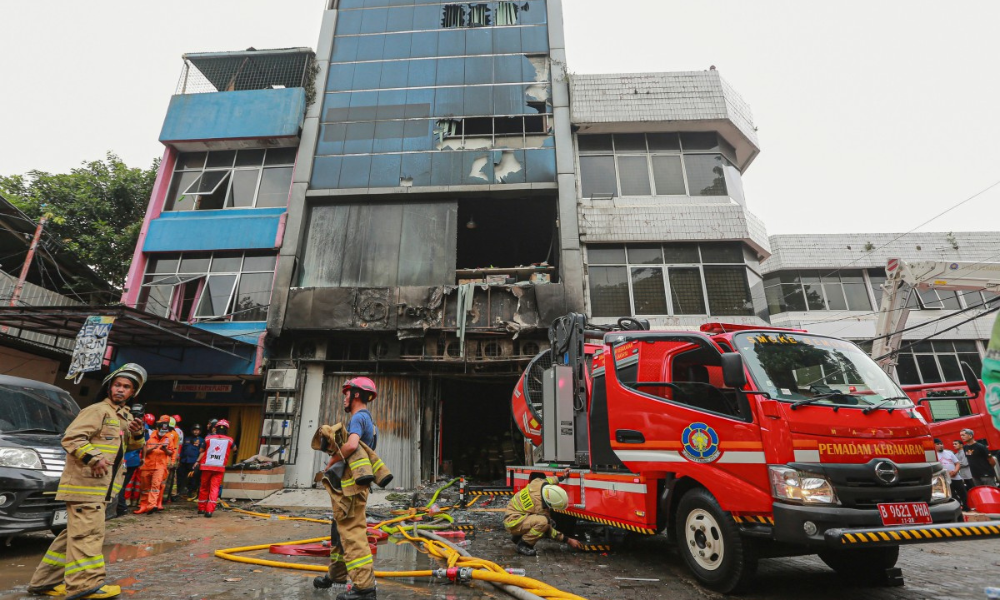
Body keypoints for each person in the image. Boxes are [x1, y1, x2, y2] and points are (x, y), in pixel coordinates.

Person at [27, 363, 147, 600]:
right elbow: (71, 438)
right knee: (88, 535)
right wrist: (94, 458)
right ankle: (85, 586)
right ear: (109, 387)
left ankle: (44, 583)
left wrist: (137, 432)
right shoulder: (97, 410)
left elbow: (131, 447)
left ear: (133, 393)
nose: (121, 390)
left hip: (100, 489)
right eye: (117, 385)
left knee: (72, 536)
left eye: (126, 387)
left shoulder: (123, 416)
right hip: (86, 488)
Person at [312, 377, 383, 600]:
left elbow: (352, 445)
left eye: (347, 393)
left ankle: (365, 589)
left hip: (352, 488)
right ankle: (338, 574)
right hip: (350, 487)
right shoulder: (369, 421)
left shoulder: (358, 418)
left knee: (352, 533)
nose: (344, 397)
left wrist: (331, 462)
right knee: (339, 532)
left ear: (356, 395)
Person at [504, 471, 582, 556]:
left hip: (514, 516)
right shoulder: (539, 508)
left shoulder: (538, 482)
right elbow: (548, 531)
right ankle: (524, 544)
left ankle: (518, 536)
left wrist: (562, 477)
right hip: (513, 522)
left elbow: (549, 480)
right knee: (544, 522)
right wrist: (568, 540)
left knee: (545, 521)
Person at [196, 419, 236, 518]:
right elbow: (235, 449)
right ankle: (209, 511)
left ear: (215, 428)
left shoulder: (208, 439)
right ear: (227, 430)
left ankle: (201, 508)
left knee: (204, 487)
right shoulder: (230, 440)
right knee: (214, 489)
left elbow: (201, 450)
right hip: (219, 468)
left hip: (206, 466)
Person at [135, 416, 176, 514]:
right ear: (157, 428)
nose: (163, 432)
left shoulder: (168, 438)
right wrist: (154, 448)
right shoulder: (149, 437)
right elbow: (143, 450)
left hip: (160, 466)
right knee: (144, 488)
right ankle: (143, 505)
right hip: (147, 465)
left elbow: (171, 452)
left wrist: (165, 450)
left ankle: (152, 505)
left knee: (156, 486)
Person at [935, 438, 966, 510]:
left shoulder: (949, 453)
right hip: (945, 479)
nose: (940, 445)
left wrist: (955, 471)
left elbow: (957, 463)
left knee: (963, 492)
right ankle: (958, 508)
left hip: (956, 477)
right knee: (952, 495)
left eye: (941, 444)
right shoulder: (934, 455)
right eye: (938, 444)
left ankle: (966, 507)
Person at [178, 424, 204, 499]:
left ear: (200, 431)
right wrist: (180, 459)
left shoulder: (201, 440)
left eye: (197, 430)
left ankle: (191, 491)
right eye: (194, 430)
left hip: (193, 461)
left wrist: (198, 461)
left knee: (193, 477)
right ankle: (181, 491)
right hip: (184, 460)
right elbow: (182, 449)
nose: (196, 432)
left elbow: (202, 452)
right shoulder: (187, 439)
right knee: (182, 476)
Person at [163, 415, 183, 502]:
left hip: (168, 459)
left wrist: (173, 461)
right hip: (171, 459)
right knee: (171, 479)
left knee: (167, 479)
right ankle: (170, 496)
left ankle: (165, 497)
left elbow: (174, 448)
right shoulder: (177, 433)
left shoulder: (172, 434)